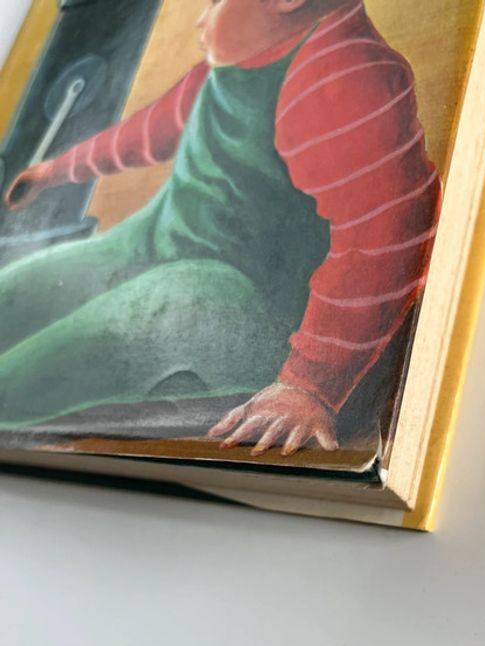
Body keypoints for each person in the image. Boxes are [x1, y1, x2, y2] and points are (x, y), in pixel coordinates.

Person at [0, 0, 440, 455]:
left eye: (214, 3)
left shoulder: (344, 79)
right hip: (151, 246)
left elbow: (386, 237)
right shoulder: (229, 67)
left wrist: (308, 385)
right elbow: (146, 132)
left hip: (239, 300)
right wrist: (56, 170)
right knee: (17, 291)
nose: (200, 20)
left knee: (25, 378)